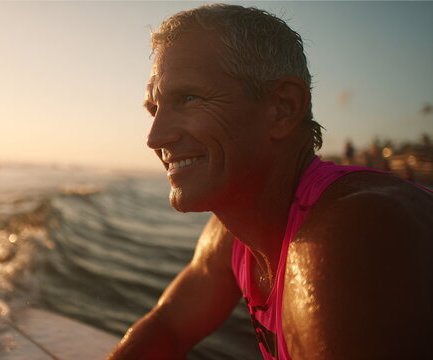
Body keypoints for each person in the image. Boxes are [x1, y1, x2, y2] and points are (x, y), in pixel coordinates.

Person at [107, 4, 432, 360]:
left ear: (282, 108)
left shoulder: (352, 233)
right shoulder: (233, 233)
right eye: (155, 109)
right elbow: (167, 328)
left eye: (189, 98)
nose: (155, 138)